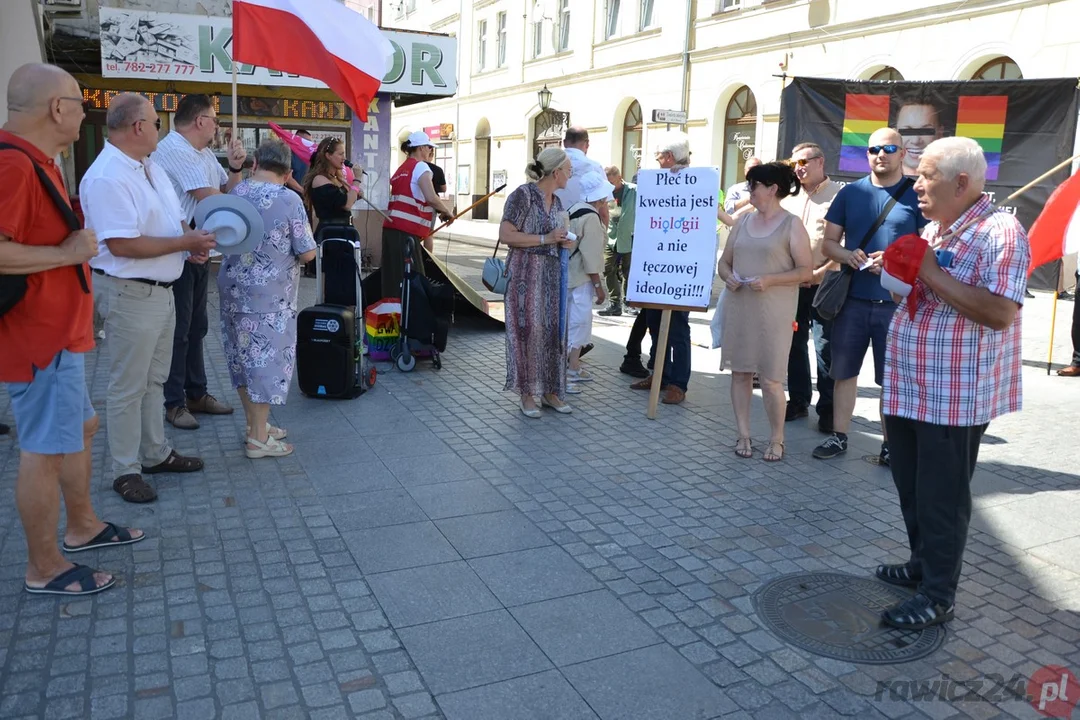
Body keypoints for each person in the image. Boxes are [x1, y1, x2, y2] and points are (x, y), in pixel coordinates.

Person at [0, 63, 144, 596]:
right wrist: (64, 252)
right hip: (38, 339)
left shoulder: (40, 161)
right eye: (80, 103)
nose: (86, 112)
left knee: (79, 430)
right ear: (57, 109)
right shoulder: (15, 166)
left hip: (59, 334)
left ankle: (82, 526)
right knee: (44, 448)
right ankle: (43, 566)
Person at [877, 137, 1029, 629]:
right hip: (910, 386)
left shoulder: (999, 231)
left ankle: (938, 595)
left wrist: (927, 271)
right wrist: (900, 271)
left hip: (953, 397)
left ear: (961, 183)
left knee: (942, 497)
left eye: (926, 176)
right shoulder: (941, 229)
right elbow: (931, 291)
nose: (915, 183)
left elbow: (1000, 311)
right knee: (912, 489)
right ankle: (923, 566)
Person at [81, 93, 216, 504]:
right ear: (137, 126)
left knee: (154, 380)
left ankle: (154, 452)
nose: (161, 129)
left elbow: (171, 217)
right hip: (130, 291)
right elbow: (121, 244)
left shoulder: (148, 165)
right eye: (156, 122)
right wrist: (182, 240)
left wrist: (186, 245)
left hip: (160, 290)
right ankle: (125, 469)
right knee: (128, 385)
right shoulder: (108, 175)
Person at [813, 128, 927, 465]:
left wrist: (894, 264)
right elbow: (828, 244)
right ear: (867, 155)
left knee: (891, 379)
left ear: (903, 153)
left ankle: (890, 445)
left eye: (889, 148)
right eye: (875, 148)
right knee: (843, 373)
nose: (882, 154)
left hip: (896, 306)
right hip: (852, 301)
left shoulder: (916, 193)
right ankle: (839, 436)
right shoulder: (851, 194)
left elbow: (928, 247)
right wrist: (848, 255)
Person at [151, 93, 245, 431]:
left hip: (199, 249)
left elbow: (228, 193)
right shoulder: (175, 150)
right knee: (179, 330)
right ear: (201, 121)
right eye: (216, 120)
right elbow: (209, 197)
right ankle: (174, 402)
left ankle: (197, 393)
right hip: (179, 252)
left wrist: (235, 167)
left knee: (196, 327)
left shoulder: (202, 153)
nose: (218, 127)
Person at [220, 140, 318, 459]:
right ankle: (259, 439)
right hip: (270, 297)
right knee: (263, 363)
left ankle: (254, 426)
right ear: (288, 171)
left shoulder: (237, 193)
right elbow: (306, 252)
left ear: (255, 163)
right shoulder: (289, 199)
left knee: (242, 361)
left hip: (232, 289)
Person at [718, 162, 813, 462]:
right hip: (740, 306)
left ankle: (777, 438)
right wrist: (727, 276)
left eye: (753, 186)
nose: (749, 192)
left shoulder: (791, 224)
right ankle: (743, 433)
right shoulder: (743, 222)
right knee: (740, 372)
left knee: (771, 379)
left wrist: (771, 279)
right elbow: (725, 262)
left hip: (774, 311)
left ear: (772, 189)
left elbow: (805, 271)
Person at [499, 147, 576, 418]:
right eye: (568, 170)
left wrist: (564, 240)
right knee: (527, 332)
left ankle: (551, 391)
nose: (570, 174)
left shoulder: (556, 203)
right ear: (555, 173)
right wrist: (546, 238)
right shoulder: (523, 195)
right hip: (524, 274)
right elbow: (507, 234)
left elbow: (557, 235)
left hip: (552, 275)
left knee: (553, 331)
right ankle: (527, 393)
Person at [629, 133, 696, 406]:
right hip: (655, 267)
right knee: (655, 325)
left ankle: (678, 383)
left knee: (678, 330)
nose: (657, 163)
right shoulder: (657, 182)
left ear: (669, 157)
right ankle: (660, 374)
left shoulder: (695, 182)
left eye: (658, 158)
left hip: (680, 269)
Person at [781, 142, 841, 431]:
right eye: (794, 164)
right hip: (792, 284)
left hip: (824, 283)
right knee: (793, 344)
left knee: (824, 346)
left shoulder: (838, 196)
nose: (799, 169)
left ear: (820, 161)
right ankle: (798, 400)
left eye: (804, 162)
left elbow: (843, 244)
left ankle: (828, 410)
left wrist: (819, 273)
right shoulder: (789, 198)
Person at [381, 131, 454, 300]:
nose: (430, 151)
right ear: (421, 148)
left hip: (391, 229)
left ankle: (393, 315)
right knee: (413, 278)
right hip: (405, 233)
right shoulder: (421, 167)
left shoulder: (402, 168)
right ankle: (411, 318)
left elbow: (415, 197)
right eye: (429, 147)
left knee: (393, 278)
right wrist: (446, 211)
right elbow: (431, 196)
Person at [566, 171, 611, 387]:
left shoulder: (573, 209)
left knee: (569, 322)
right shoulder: (591, 217)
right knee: (579, 323)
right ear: (600, 198)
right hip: (581, 279)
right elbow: (591, 256)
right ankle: (571, 368)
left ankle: (568, 367)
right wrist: (599, 287)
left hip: (567, 276)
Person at [599, 165, 635, 317]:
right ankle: (614, 303)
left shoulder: (634, 190)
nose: (610, 186)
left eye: (612, 182)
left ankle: (628, 302)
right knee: (608, 268)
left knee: (628, 270)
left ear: (619, 178)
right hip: (610, 236)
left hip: (629, 236)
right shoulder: (602, 192)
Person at [894, 96, 947, 177]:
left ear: (940, 133)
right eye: (907, 131)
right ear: (894, 134)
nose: (915, 140)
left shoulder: (951, 183)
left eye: (926, 131)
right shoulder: (879, 180)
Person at [554, 125, 605, 209]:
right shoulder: (595, 167)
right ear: (587, 144)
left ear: (564, 143)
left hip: (552, 219)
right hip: (585, 220)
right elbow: (603, 208)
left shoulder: (550, 164)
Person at [286, 128, 312, 195]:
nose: (309, 144)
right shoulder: (288, 155)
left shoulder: (310, 157)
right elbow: (288, 178)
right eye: (306, 141)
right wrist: (304, 192)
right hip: (291, 196)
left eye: (310, 141)